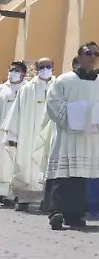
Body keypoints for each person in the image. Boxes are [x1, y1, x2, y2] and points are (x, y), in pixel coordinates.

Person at [42, 42, 99, 230]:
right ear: (79, 56)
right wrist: (75, 117)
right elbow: (53, 104)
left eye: (96, 53)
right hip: (68, 136)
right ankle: (56, 212)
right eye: (88, 53)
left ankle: (76, 215)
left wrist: (90, 114)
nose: (92, 56)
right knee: (64, 174)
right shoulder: (64, 80)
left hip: (91, 138)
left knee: (85, 176)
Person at [3, 57, 55, 210]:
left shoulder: (58, 86)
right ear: (36, 69)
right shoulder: (27, 89)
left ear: (53, 67)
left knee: (49, 166)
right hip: (29, 136)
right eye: (42, 66)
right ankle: (24, 199)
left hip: (51, 135)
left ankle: (48, 200)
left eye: (48, 66)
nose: (45, 69)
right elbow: (17, 112)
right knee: (26, 166)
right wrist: (12, 136)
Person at [0, 61, 26, 206]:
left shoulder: (26, 90)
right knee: (2, 164)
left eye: (16, 70)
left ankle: (15, 194)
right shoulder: (2, 89)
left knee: (15, 163)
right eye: (10, 70)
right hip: (2, 133)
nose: (12, 72)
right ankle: (3, 193)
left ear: (23, 74)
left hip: (20, 132)